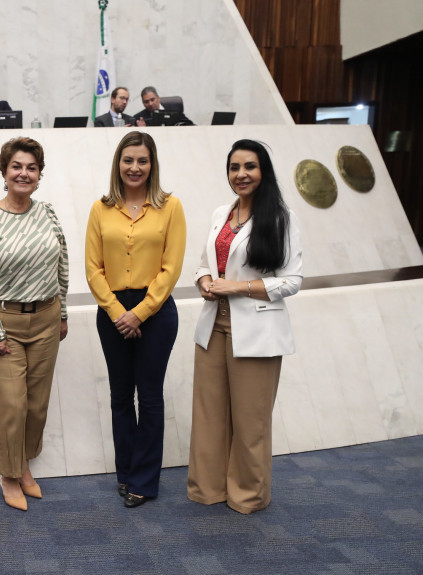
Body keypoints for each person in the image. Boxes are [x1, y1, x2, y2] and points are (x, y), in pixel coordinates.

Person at [187, 139, 303, 514]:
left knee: (251, 423)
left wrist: (235, 287)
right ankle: (208, 488)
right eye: (235, 167)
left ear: (263, 171)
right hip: (213, 328)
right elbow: (205, 264)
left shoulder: (281, 218)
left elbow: (292, 281)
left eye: (249, 167)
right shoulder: (222, 213)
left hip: (257, 333)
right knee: (209, 417)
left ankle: (247, 496)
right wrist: (205, 282)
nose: (241, 174)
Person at [0, 137, 69, 512]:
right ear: (4, 173)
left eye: (32, 168)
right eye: (17, 167)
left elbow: (62, 264)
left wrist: (64, 312)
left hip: (46, 319)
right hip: (2, 322)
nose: (24, 173)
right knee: (12, 405)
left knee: (36, 405)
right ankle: (9, 475)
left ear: (39, 175)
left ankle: (23, 464)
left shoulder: (48, 214)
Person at [85, 131, 186, 509]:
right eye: (128, 160)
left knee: (150, 396)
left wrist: (140, 312)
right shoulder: (101, 208)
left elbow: (171, 268)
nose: (134, 167)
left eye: (142, 160)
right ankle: (126, 473)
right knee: (120, 397)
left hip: (156, 312)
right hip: (112, 311)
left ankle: (145, 480)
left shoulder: (170, 207)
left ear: (152, 164)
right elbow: (93, 269)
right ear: (118, 163)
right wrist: (117, 313)